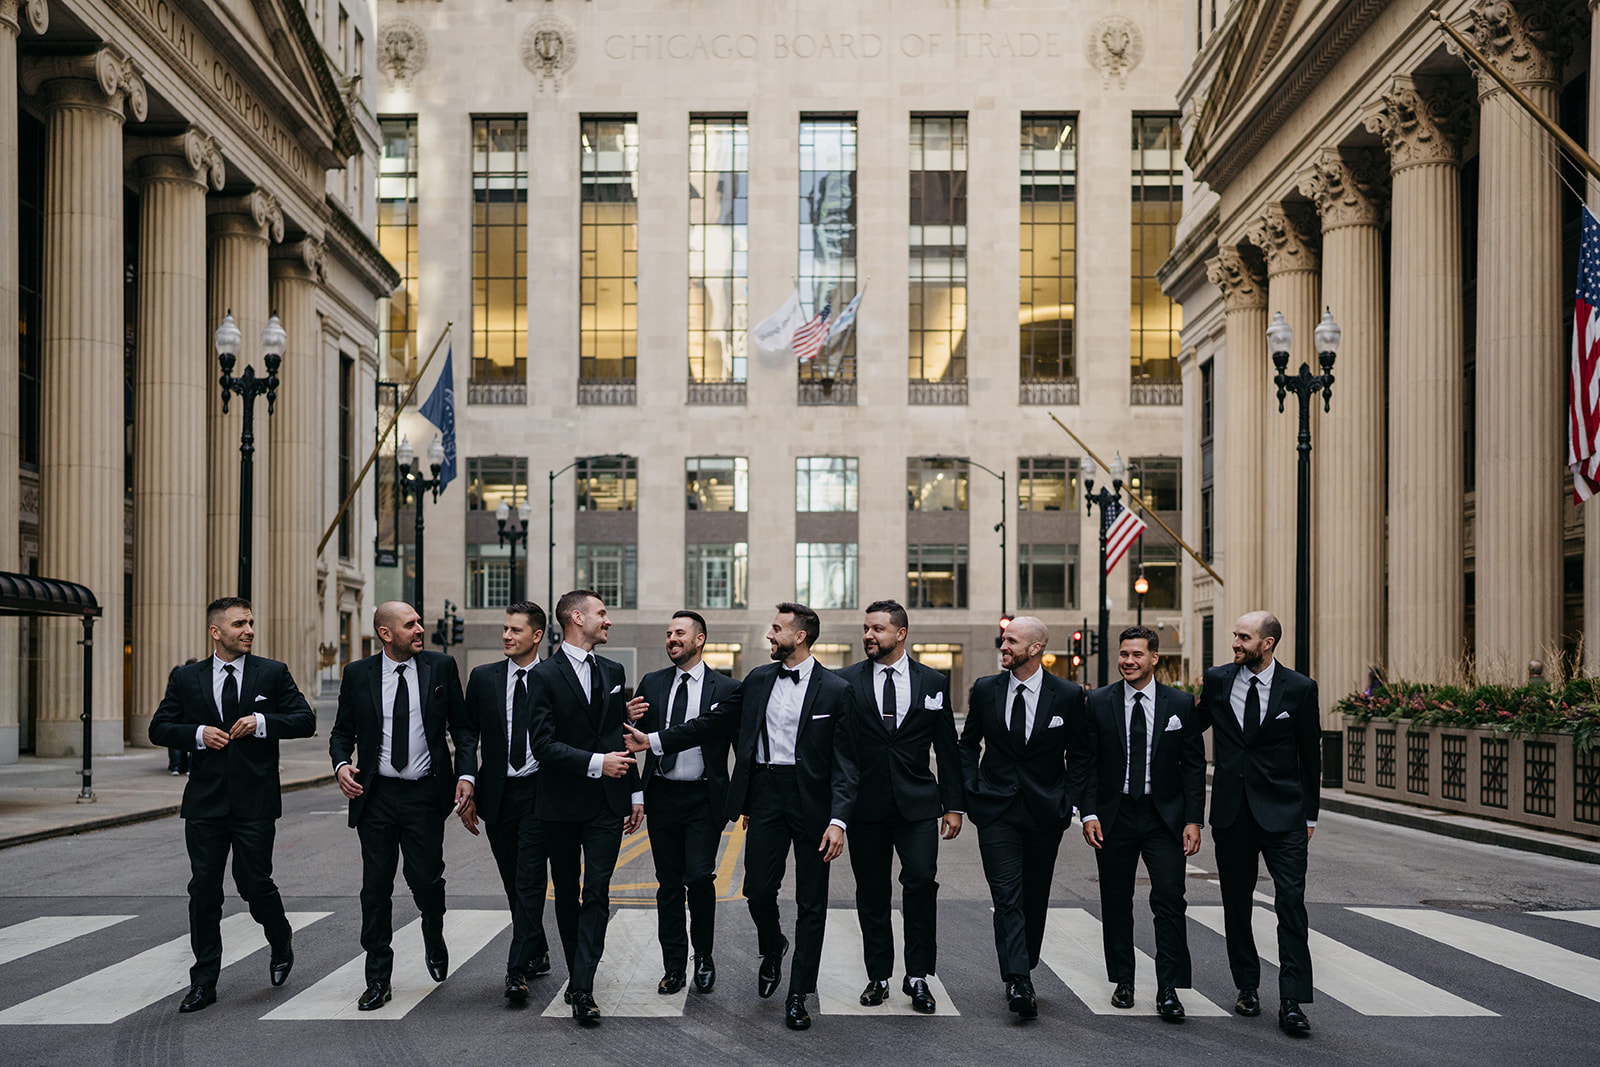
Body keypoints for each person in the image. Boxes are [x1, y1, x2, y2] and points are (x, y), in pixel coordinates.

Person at [625, 602, 859, 1031]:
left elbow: (847, 761)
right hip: (766, 795)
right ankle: (773, 946)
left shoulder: (836, 689)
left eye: (776, 630)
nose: (770, 636)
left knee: (812, 903)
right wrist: (655, 740)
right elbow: (707, 726)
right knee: (757, 890)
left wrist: (839, 819)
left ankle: (797, 996)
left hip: (814, 802)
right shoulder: (755, 681)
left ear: (800, 635)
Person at [148, 598, 316, 1013]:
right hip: (204, 805)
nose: (249, 630)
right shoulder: (187, 678)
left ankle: (280, 938)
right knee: (204, 890)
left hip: (255, 803)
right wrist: (199, 733)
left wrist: (262, 724)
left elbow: (305, 720)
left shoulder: (272, 673)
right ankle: (204, 981)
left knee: (253, 882)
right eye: (240, 623)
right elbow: (159, 728)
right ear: (215, 631)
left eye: (251, 623)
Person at [329, 600, 473, 1012]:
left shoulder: (440, 667)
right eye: (410, 624)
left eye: (419, 622)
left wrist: (466, 775)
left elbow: (462, 729)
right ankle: (378, 978)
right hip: (377, 796)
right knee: (375, 888)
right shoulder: (358, 674)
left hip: (425, 795)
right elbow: (342, 732)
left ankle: (433, 929)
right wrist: (341, 765)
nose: (420, 629)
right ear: (386, 634)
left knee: (426, 880)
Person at [1193, 611, 1321, 1037]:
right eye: (1235, 635)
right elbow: (1191, 728)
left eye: (1243, 637)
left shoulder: (1300, 688)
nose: (1235, 643)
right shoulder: (1218, 680)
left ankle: (1292, 1001)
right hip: (1233, 813)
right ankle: (1246, 985)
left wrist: (1310, 814)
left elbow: (1311, 756)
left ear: (1267, 643)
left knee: (1290, 903)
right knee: (1236, 903)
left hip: (1284, 814)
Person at [835, 599, 963, 1014]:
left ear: (900, 633)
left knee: (921, 883)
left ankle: (919, 976)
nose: (869, 636)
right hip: (866, 806)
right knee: (872, 893)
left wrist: (954, 805)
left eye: (878, 629)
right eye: (866, 629)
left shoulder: (934, 682)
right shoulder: (846, 682)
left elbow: (948, 748)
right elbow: (837, 749)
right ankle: (879, 976)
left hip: (919, 804)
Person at [1072, 625, 1205, 1021]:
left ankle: (1169, 989)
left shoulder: (1180, 704)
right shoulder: (1096, 701)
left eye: (1137, 655)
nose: (1128, 661)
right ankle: (1123, 981)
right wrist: (1089, 812)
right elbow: (1086, 763)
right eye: (1124, 654)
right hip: (1114, 816)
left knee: (1169, 899)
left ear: (1154, 659)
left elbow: (1194, 766)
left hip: (1163, 817)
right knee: (1115, 902)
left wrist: (1194, 820)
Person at [958, 615, 1083, 1020]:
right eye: (1003, 639)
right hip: (996, 810)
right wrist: (972, 791)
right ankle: (1018, 980)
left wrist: (1069, 800)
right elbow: (967, 745)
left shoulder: (1066, 695)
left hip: (1046, 811)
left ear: (1035, 649)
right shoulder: (986, 690)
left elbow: (1080, 755)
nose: (1003, 646)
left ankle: (1022, 964)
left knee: (1035, 895)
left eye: (1012, 641)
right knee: (1007, 896)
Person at [527, 589, 643, 1025]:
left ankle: (583, 985)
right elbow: (542, 745)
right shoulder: (543, 675)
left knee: (597, 891)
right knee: (567, 894)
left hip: (607, 805)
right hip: (559, 802)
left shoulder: (613, 669)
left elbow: (617, 735)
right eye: (601, 612)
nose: (607, 620)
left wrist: (635, 792)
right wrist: (598, 763)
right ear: (576, 617)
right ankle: (579, 974)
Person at [625, 610, 737, 996]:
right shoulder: (652, 683)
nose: (672, 639)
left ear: (700, 639)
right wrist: (627, 717)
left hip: (704, 798)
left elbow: (743, 748)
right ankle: (674, 966)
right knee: (668, 884)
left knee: (700, 877)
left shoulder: (725, 688)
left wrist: (741, 801)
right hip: (662, 794)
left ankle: (703, 956)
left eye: (680, 633)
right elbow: (632, 740)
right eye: (669, 633)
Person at [458, 601, 553, 1003]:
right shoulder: (484, 678)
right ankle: (538, 947)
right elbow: (467, 732)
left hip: (540, 792)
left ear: (537, 636)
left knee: (530, 878)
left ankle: (516, 971)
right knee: (514, 879)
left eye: (515, 630)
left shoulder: (553, 677)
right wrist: (468, 780)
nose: (506, 636)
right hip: (498, 794)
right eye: (505, 629)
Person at [164, 658, 200, 775]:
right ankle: (188, 767)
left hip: (179, 714)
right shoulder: (193, 678)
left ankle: (176, 766)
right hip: (189, 713)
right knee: (193, 740)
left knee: (177, 741)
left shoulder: (178, 676)